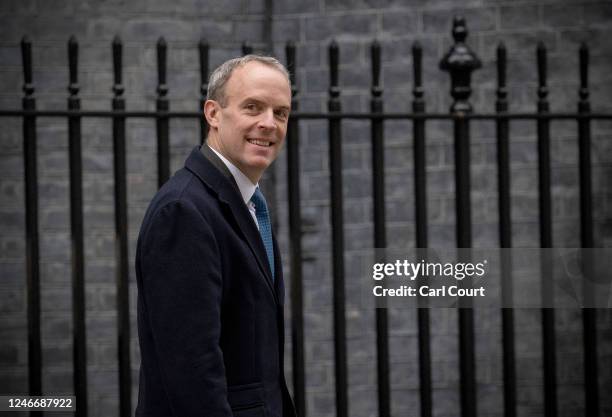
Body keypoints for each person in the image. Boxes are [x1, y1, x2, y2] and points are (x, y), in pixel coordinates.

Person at [135, 55, 296, 417]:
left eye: (281, 113)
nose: (269, 124)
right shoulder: (183, 212)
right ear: (213, 113)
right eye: (252, 107)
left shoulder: (248, 204)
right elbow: (192, 371)